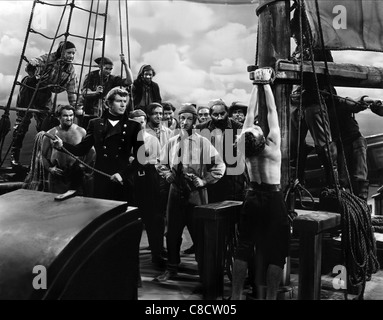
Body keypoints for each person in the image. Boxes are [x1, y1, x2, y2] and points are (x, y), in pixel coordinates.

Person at [231, 72, 290, 300]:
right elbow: (272, 112)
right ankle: (272, 297)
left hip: (252, 196)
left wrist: (255, 83)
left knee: (243, 247)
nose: (256, 125)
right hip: (273, 199)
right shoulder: (272, 146)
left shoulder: (243, 146)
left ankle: (236, 296)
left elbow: (249, 113)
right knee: (277, 254)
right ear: (262, 139)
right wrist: (265, 84)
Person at [154, 103, 226, 282]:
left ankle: (204, 274)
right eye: (182, 118)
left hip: (195, 193)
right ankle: (171, 268)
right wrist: (167, 173)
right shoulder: (172, 142)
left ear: (194, 121)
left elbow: (220, 165)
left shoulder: (202, 142)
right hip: (175, 192)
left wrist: (205, 180)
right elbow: (159, 162)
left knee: (200, 234)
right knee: (172, 233)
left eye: (188, 119)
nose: (184, 122)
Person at [51, 87, 144, 201]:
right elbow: (81, 149)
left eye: (125, 101)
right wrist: (62, 146)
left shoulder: (134, 126)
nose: (123, 105)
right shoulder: (95, 124)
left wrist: (122, 174)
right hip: (101, 179)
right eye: (119, 101)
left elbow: (141, 157)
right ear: (108, 104)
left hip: (123, 179)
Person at [289, 7, 339, 189]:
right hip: (295, 103)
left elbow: (329, 71)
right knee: (293, 148)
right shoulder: (296, 51)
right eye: (295, 33)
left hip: (313, 101)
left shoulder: (320, 49)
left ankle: (333, 186)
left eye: (300, 31)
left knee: (324, 145)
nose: (297, 36)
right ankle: (295, 186)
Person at [11, 40, 79, 167]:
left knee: (46, 125)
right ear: (62, 51)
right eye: (69, 53)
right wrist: (33, 63)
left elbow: (72, 91)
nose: (71, 56)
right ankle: (14, 155)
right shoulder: (50, 58)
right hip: (30, 88)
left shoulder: (70, 70)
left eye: (73, 54)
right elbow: (36, 62)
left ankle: (40, 159)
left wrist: (76, 107)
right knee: (23, 121)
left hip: (45, 93)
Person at [196, 98, 247, 203]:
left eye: (222, 114)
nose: (219, 118)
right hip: (211, 179)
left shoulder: (239, 128)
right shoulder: (200, 128)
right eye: (215, 115)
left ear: (227, 112)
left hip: (233, 180)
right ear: (210, 115)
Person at [41, 104, 95, 195]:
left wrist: (83, 166)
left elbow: (92, 152)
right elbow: (42, 155)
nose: (69, 118)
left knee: (77, 204)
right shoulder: (50, 133)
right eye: (65, 115)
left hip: (76, 175)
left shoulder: (81, 131)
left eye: (71, 115)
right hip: (57, 175)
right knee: (57, 204)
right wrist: (50, 169)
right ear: (59, 117)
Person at [81, 55, 133, 120]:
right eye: (106, 69)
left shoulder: (112, 79)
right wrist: (95, 92)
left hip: (104, 110)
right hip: (89, 110)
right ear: (100, 67)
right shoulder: (91, 76)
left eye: (110, 69)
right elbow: (84, 92)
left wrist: (125, 64)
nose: (109, 71)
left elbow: (129, 81)